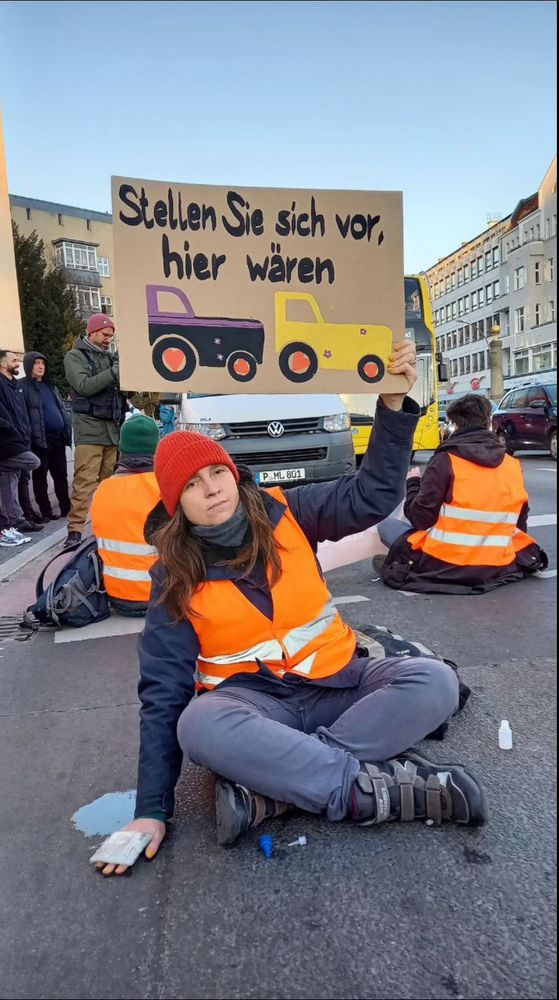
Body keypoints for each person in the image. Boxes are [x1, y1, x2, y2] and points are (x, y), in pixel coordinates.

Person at [96, 342, 488, 878]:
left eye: (215, 473)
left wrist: (394, 407)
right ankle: (360, 791)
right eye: (191, 485)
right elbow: (162, 691)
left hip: (338, 683)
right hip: (256, 707)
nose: (211, 490)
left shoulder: (288, 511)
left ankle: (278, 793)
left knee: (434, 681)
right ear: (175, 505)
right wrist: (150, 811)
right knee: (199, 724)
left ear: (232, 472)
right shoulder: (173, 575)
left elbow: (371, 496)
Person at [372, 393, 547, 593]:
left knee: (386, 526)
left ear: (454, 425)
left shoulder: (446, 460)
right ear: (488, 422)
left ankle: (397, 559)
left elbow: (420, 519)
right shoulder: (512, 465)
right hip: (497, 561)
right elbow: (520, 524)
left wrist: (413, 484)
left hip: (444, 562)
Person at [64, 314, 127, 548]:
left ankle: (110, 525)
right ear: (92, 332)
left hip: (112, 429)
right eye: (105, 335)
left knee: (110, 485)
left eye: (111, 336)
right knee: (84, 482)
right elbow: (83, 386)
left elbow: (122, 392)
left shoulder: (110, 358)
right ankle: (75, 530)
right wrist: (114, 373)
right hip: (89, 429)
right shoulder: (74, 356)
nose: (108, 340)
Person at [90, 414, 161, 616]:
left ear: (121, 449)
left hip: (117, 596)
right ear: (157, 449)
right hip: (163, 596)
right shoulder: (165, 488)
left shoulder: (102, 490)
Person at [20, 352, 72, 521]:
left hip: (58, 438)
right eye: (36, 363)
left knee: (61, 476)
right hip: (39, 440)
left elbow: (60, 409)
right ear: (29, 366)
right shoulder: (23, 386)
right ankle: (46, 511)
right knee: (40, 477)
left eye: (42, 363)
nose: (40, 366)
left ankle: (66, 508)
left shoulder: (51, 386)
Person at [0, 349, 42, 540]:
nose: (17, 363)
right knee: (33, 462)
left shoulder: (15, 385)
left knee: (12, 481)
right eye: (14, 360)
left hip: (20, 438)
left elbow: (21, 412)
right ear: (3, 364)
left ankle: (16, 519)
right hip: (7, 442)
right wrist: (10, 428)